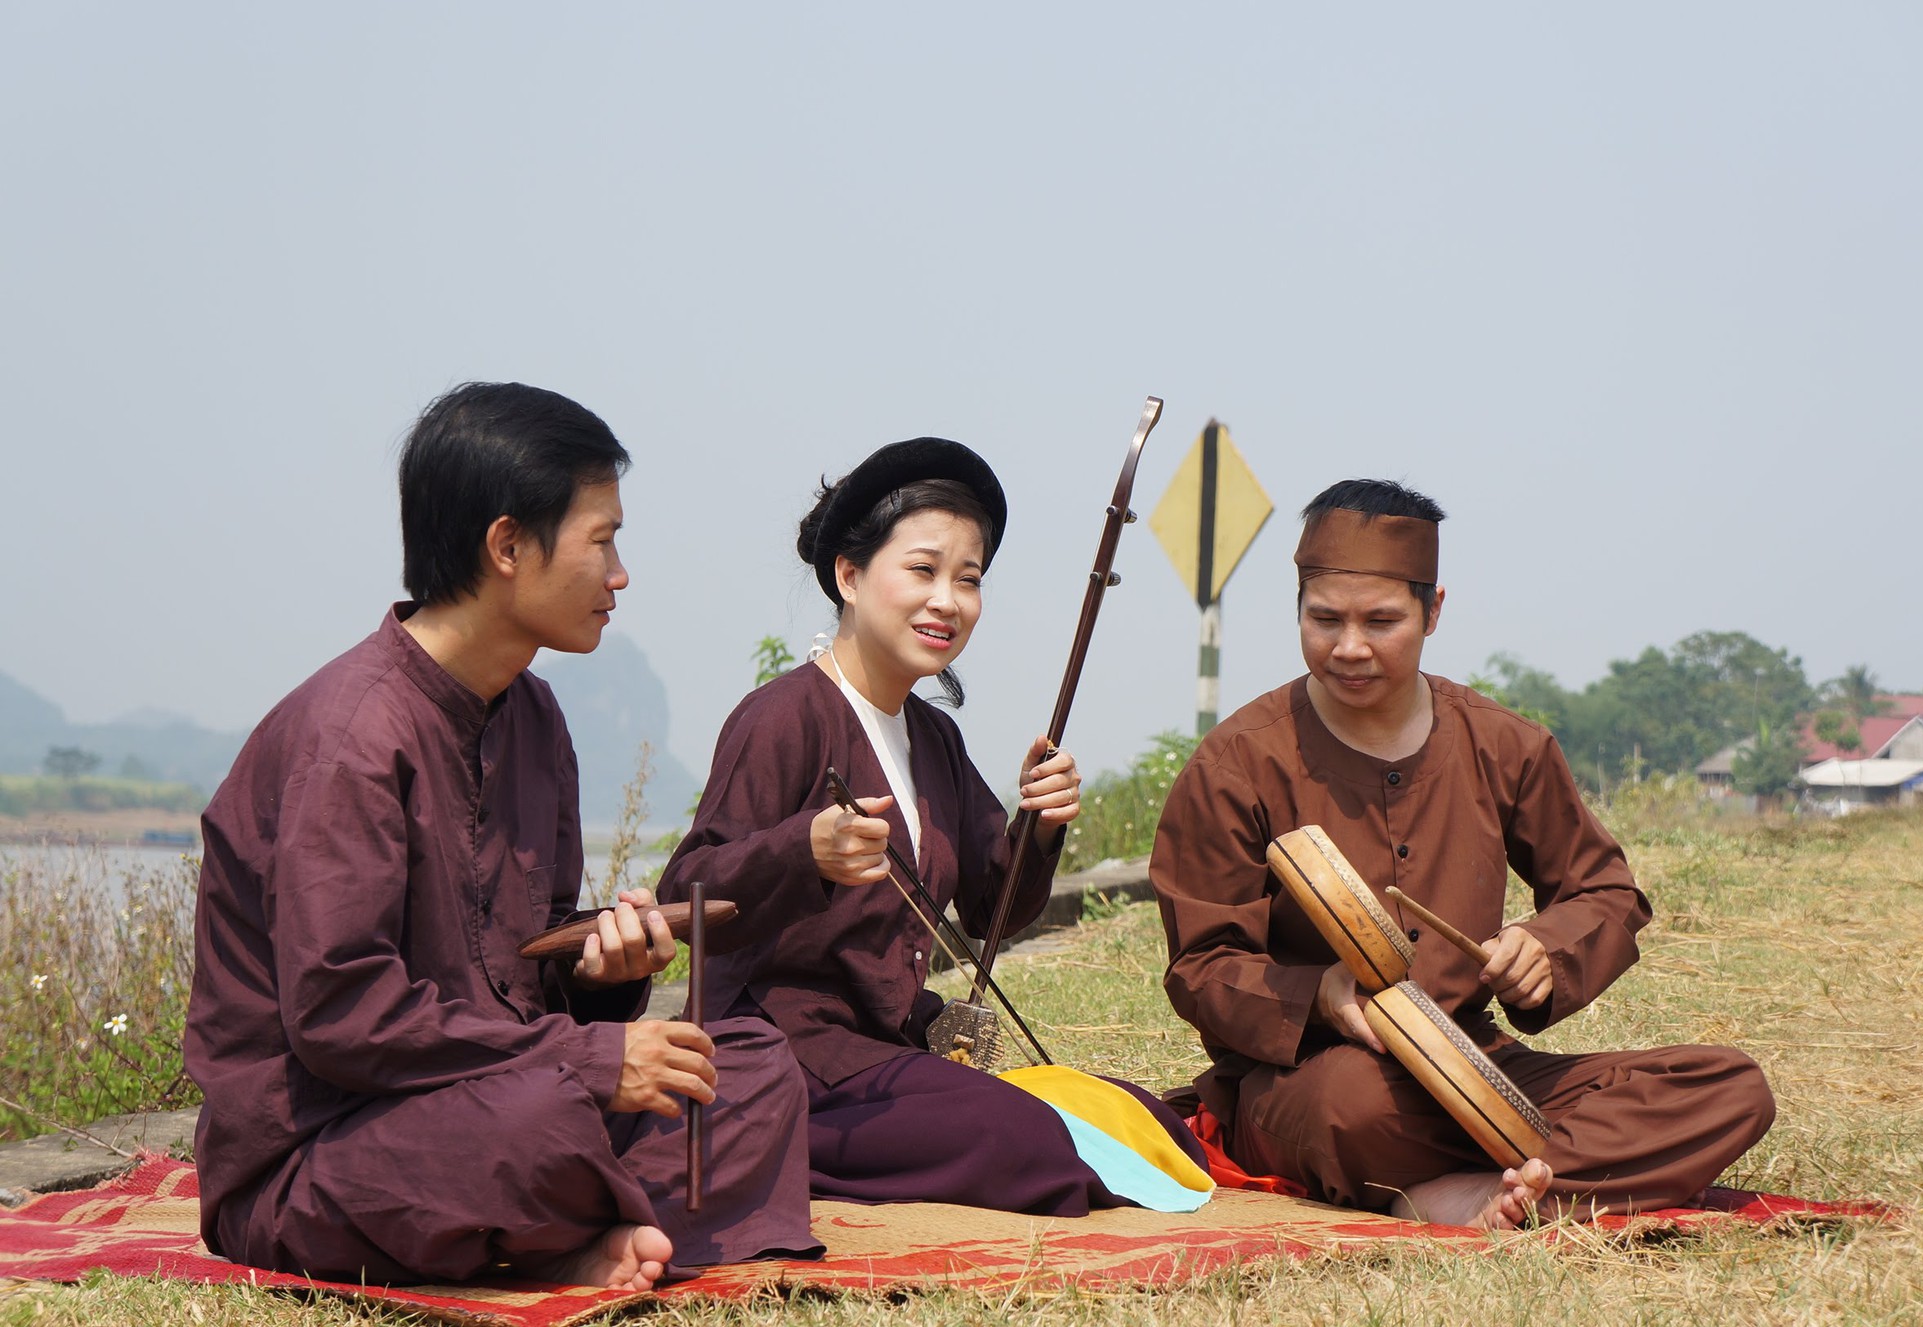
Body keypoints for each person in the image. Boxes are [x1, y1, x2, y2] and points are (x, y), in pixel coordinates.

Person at [184, 382, 817, 1289]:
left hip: (507, 1096)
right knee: (530, 1132)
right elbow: (341, 1018)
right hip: (332, 1148)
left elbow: (528, 976)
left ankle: (574, 1230)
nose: (621, 573)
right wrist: (593, 1060)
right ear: (509, 545)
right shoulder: (353, 736)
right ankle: (586, 1223)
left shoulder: (534, 718)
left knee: (749, 1065)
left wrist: (602, 976)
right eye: (603, 540)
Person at [1150, 478, 1776, 1230]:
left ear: (1433, 611)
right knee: (1349, 1108)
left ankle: (1473, 1189)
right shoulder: (1236, 763)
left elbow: (1605, 892)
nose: (1349, 647)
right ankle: (1497, 1187)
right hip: (1314, 1076)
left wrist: (1544, 948)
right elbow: (1203, 967)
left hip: (1476, 1068)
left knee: (1727, 1087)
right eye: (1324, 620)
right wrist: (1320, 996)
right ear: (1298, 611)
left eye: (1381, 620)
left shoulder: (1504, 743)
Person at [659, 437, 1206, 1214]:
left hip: (893, 1051)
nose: (947, 599)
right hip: (788, 1054)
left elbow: (994, 911)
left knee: (1142, 1121)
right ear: (849, 575)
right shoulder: (783, 716)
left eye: (969, 579)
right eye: (922, 570)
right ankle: (766, 1149)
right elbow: (684, 893)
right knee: (1019, 1139)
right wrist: (800, 849)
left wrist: (1039, 826)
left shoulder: (934, 737)